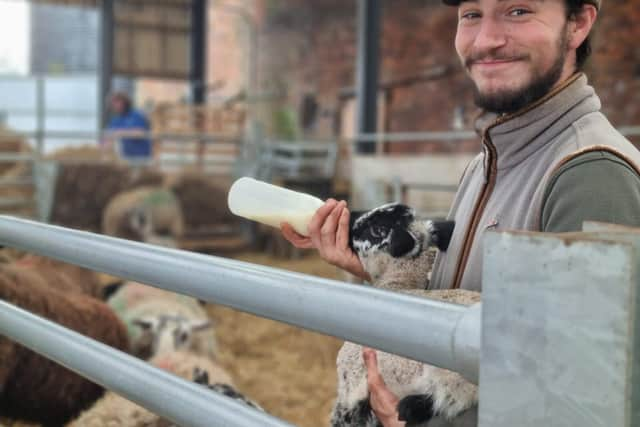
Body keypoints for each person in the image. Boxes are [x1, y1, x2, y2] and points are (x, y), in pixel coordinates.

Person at [282, 0, 640, 425]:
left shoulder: (590, 173)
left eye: (518, 11)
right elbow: (464, 292)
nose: (486, 39)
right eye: (471, 14)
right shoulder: (488, 161)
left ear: (578, 23)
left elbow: (588, 401)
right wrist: (373, 266)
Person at [103, 91, 153, 165]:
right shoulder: (115, 120)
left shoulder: (136, 115)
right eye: (113, 103)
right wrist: (105, 145)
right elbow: (108, 137)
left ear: (124, 101)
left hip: (142, 158)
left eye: (117, 102)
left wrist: (120, 133)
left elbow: (140, 133)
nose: (115, 105)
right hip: (126, 158)